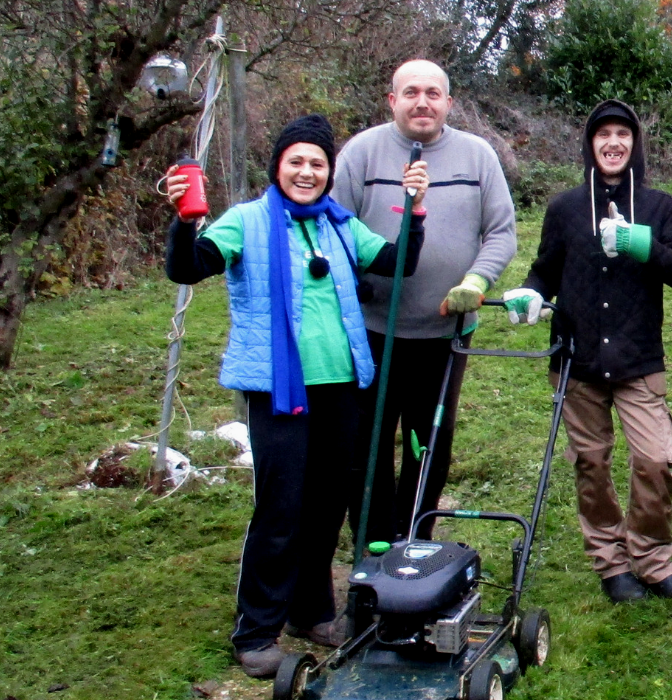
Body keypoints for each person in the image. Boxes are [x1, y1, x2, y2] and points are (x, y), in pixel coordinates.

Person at [162, 114, 427, 676]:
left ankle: (310, 612)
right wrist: (184, 221)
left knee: (328, 505)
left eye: (317, 163)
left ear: (330, 173)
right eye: (296, 161)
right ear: (278, 167)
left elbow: (398, 262)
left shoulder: (338, 223)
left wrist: (415, 210)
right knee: (280, 509)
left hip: (342, 386)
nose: (307, 172)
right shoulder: (247, 222)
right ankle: (255, 631)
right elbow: (188, 267)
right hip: (281, 390)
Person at [504, 100, 672, 603]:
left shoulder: (661, 206)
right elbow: (545, 269)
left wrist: (641, 242)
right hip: (578, 361)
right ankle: (612, 563)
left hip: (638, 359)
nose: (613, 142)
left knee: (655, 460)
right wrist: (530, 291)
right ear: (590, 144)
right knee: (591, 463)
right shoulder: (565, 208)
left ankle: (653, 560)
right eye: (603, 135)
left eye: (622, 134)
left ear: (635, 144)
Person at [331, 59, 518, 545]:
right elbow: (334, 230)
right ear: (392, 100)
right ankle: (372, 550)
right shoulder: (362, 154)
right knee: (368, 445)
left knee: (429, 443)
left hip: (445, 334)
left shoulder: (477, 156)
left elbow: (501, 232)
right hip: (374, 331)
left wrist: (476, 281)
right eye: (411, 92)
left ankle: (414, 539)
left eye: (433, 93)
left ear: (449, 103)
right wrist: (357, 281)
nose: (422, 102)